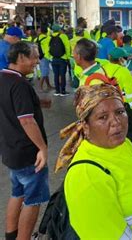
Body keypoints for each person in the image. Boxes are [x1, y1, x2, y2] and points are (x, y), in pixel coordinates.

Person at [55, 83, 132, 238]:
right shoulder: (86, 176)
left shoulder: (123, 145)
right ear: (85, 126)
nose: (116, 122)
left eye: (120, 112)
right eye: (103, 117)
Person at [0, 42, 49, 240]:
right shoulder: (19, 84)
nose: (37, 62)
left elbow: (10, 108)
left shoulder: (3, 77)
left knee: (17, 193)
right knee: (33, 200)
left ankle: (11, 236)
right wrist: (43, 148)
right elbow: (27, 120)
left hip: (11, 151)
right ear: (20, 58)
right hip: (29, 154)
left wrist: (38, 103)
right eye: (34, 57)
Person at [36, 24, 53, 91]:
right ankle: (40, 88)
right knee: (44, 73)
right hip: (46, 57)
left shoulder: (38, 38)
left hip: (40, 57)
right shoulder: (48, 38)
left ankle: (48, 85)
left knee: (45, 72)